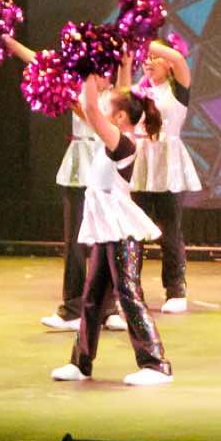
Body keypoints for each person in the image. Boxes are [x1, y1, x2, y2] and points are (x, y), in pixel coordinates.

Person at [51, 74, 172, 386]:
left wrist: (87, 73)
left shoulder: (122, 142)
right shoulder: (112, 139)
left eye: (108, 109)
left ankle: (156, 364)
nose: (100, 113)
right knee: (92, 298)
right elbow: (95, 106)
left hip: (121, 233)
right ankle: (81, 363)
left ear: (119, 118)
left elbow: (91, 110)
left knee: (128, 294)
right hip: (106, 231)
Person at [4, 32, 101, 331]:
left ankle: (109, 308)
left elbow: (95, 115)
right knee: (75, 240)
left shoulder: (114, 88)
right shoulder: (75, 80)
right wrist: (10, 43)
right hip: (79, 164)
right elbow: (39, 61)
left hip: (106, 166)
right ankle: (73, 309)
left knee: (107, 241)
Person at [128, 37, 200, 315]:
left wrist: (140, 38)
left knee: (169, 229)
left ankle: (175, 290)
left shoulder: (178, 88)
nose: (148, 62)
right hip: (141, 163)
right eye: (145, 58)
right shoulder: (138, 91)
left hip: (168, 165)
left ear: (168, 63)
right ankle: (131, 290)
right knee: (134, 231)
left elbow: (179, 59)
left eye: (154, 57)